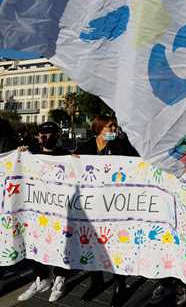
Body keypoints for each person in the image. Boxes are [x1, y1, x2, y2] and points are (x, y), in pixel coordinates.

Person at [74, 115, 138, 307]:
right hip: (92, 207)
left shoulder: (121, 145)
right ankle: (96, 281)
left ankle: (120, 285)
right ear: (99, 128)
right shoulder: (85, 147)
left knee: (115, 246)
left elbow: (136, 163)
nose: (113, 130)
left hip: (113, 207)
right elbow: (68, 164)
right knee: (92, 244)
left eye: (114, 126)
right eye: (110, 127)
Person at [17, 122, 70, 303]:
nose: (45, 137)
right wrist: (20, 154)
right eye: (42, 134)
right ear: (38, 136)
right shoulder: (30, 154)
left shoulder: (67, 156)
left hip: (59, 210)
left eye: (50, 133)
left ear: (57, 135)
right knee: (34, 241)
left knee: (61, 243)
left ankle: (60, 279)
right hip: (37, 209)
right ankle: (42, 279)